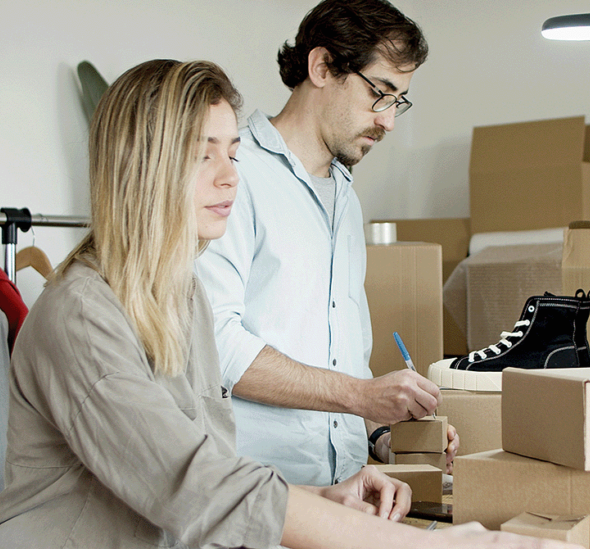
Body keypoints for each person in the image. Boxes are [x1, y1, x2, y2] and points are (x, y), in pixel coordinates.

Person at [0, 59, 588, 549]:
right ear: (142, 167)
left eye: (232, 152)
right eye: (202, 155)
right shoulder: (80, 317)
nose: (230, 176)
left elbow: (203, 467)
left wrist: (322, 498)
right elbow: (192, 485)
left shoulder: (180, 298)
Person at [194, 0, 457, 487]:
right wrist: (361, 395)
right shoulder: (233, 178)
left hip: (346, 496)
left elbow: (345, 360)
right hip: (256, 505)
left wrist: (382, 432)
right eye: (382, 93)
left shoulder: (345, 198)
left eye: (400, 102)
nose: (389, 121)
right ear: (321, 67)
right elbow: (216, 345)